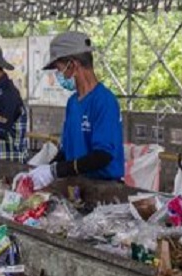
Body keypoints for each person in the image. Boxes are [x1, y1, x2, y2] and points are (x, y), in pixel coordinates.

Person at [20, 32, 124, 188]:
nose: (58, 75)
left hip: (104, 188)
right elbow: (66, 151)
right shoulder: (72, 103)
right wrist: (44, 169)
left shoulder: (104, 101)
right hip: (77, 185)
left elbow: (102, 156)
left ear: (73, 65)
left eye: (59, 68)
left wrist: (55, 171)